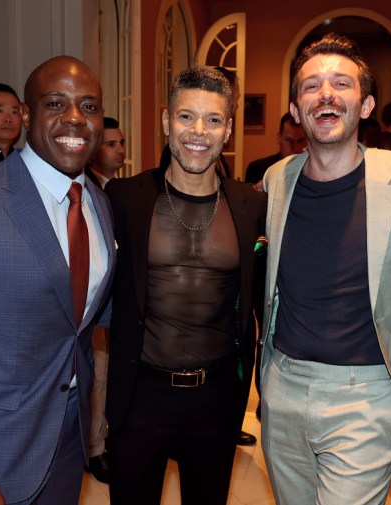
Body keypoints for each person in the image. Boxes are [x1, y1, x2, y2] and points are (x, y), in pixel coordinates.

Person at [259, 33, 391, 505]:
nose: (326, 94)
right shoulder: (276, 180)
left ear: (366, 105)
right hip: (283, 387)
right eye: (310, 86)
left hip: (367, 394)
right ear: (297, 110)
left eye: (342, 83)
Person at [0, 55, 116, 505]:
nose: (75, 118)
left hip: (70, 431)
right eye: (56, 103)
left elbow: (82, 322)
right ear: (26, 115)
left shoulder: (98, 202)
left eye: (89, 106)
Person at [105, 65, 266, 505]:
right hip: (139, 396)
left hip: (216, 400)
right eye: (185, 117)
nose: (199, 131)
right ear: (165, 121)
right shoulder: (124, 198)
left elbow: (264, 306)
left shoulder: (253, 206)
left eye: (213, 120)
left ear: (228, 129)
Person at [83, 116, 126, 484]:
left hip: (112, 303)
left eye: (121, 143)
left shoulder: (118, 188)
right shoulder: (87, 188)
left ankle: (101, 441)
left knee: (105, 376)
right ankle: (94, 449)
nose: (119, 150)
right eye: (111, 144)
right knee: (96, 376)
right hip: (92, 305)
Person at [244, 112, 307, 187]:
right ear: (279, 138)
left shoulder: (314, 172)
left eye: (300, 141)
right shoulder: (257, 169)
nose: (294, 148)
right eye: (289, 140)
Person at [85, 116, 126, 188]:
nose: (121, 150)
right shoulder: (83, 187)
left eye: (122, 143)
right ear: (92, 150)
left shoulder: (127, 186)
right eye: (111, 144)